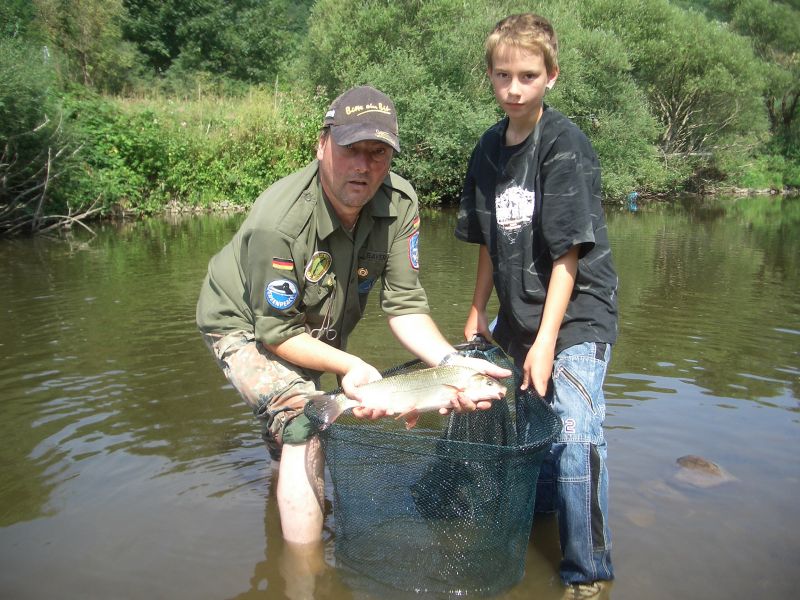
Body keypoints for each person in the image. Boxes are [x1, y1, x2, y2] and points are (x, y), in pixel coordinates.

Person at [196, 85, 510, 546]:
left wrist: (451, 366)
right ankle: (305, 579)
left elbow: (405, 305)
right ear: (322, 144)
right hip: (244, 325)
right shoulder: (278, 223)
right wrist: (350, 365)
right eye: (351, 149)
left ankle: (283, 513)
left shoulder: (400, 204)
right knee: (306, 426)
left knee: (297, 427)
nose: (364, 166)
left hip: (316, 326)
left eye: (378, 152)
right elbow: (277, 332)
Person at [454, 14, 618, 600]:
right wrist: (478, 313)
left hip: (576, 314)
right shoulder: (487, 149)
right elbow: (487, 243)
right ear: (491, 79)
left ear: (551, 75)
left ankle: (587, 573)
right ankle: (541, 513)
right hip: (518, 312)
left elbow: (569, 255)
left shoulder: (564, 146)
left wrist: (547, 342)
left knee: (575, 431)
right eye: (503, 75)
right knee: (511, 418)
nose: (515, 88)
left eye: (528, 75)